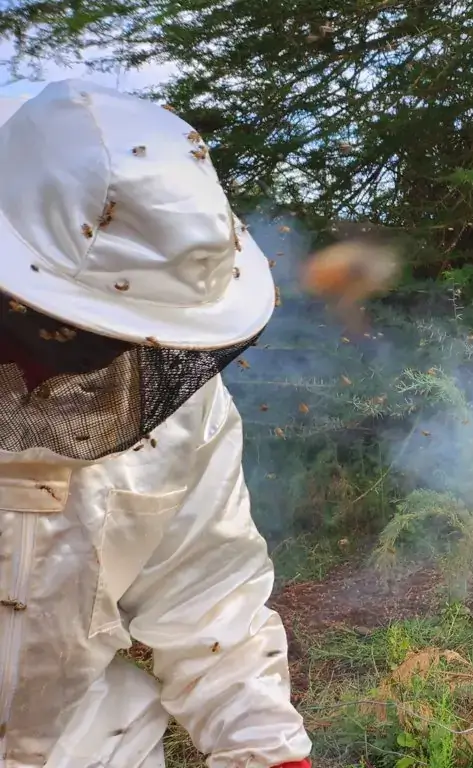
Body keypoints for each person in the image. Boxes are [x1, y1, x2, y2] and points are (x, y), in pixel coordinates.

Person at [0, 81, 311, 766]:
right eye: (70, 337)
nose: (94, 371)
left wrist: (272, 754)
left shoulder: (174, 396)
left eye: (125, 345)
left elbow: (210, 602)